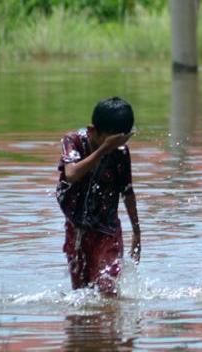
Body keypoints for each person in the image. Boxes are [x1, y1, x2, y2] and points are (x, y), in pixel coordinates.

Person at [56, 96, 141, 295]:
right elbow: (71, 174)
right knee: (82, 293)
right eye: (111, 141)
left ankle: (111, 315)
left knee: (108, 288)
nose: (115, 147)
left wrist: (137, 232)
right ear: (93, 130)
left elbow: (127, 192)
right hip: (77, 228)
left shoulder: (120, 151)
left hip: (108, 230)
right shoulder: (74, 141)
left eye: (120, 141)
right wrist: (104, 149)